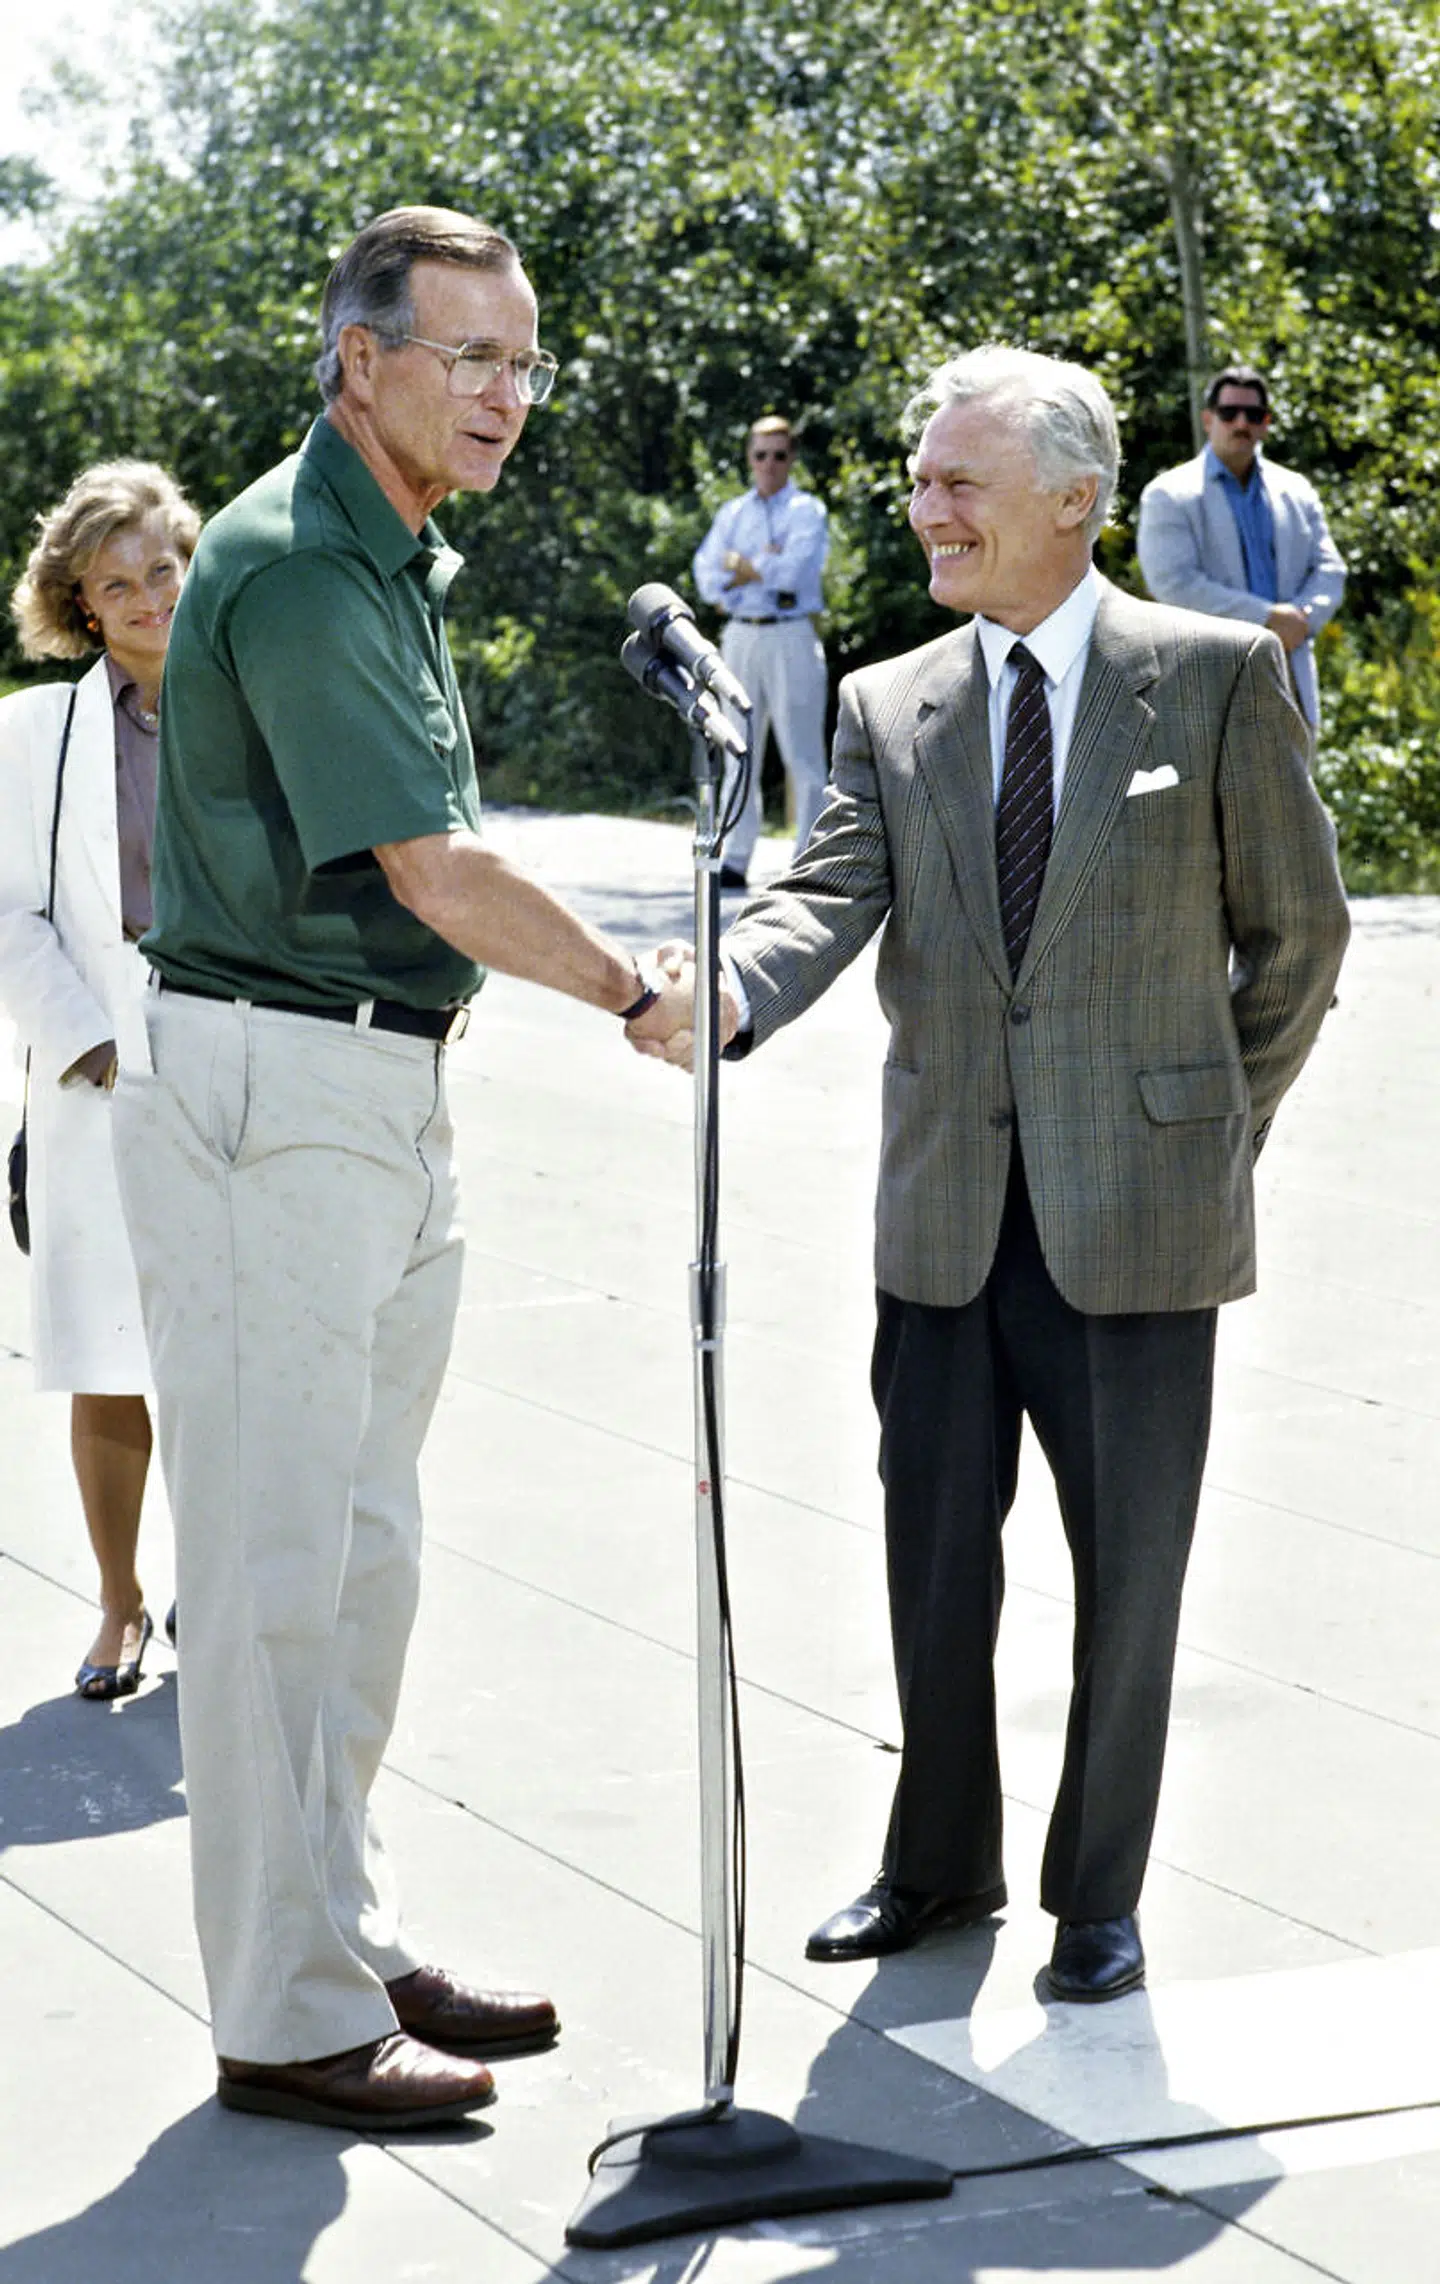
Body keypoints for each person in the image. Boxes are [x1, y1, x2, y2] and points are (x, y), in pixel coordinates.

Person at [635, 346, 1349, 2003]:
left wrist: (1204, 1125)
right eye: (920, 476)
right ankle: (938, 1862)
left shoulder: (1221, 673)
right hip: (946, 1218)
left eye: (960, 479)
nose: (924, 504)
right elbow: (824, 892)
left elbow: (1298, 943)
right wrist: (730, 986)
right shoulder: (892, 702)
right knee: (936, 1567)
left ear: (1074, 501)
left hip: (1142, 1222)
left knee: (1133, 1572)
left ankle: (1096, 1890)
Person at [110, 206, 689, 2133]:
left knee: (361, 1556)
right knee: (276, 1567)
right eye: (473, 358)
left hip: (365, 1088)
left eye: (526, 363)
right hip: (279, 1091)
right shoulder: (293, 562)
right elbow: (437, 871)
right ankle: (282, 2012)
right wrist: (631, 986)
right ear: (363, 358)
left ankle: (339, 1935)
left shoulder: (390, 551)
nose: (508, 394)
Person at [0, 462, 199, 1700]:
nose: (145, 598)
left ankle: (217, 1591)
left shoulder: (256, 694)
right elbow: (7, 911)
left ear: (192, 561)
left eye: (163, 569)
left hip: (242, 1055)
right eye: (114, 583)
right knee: (113, 1353)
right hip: (97, 1076)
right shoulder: (33, 731)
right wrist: (91, 1042)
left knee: (233, 1356)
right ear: (78, 601)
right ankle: (122, 1602)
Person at [1136, 364, 1345, 734]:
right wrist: (1266, 619)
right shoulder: (1168, 494)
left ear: (1266, 423)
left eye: (1253, 414)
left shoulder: (1297, 490)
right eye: (1229, 413)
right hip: (1210, 686)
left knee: (1294, 792)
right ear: (1207, 419)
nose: (1241, 423)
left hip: (1289, 676)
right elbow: (1173, 584)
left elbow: (1330, 569)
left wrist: (1303, 618)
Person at [692, 415, 830, 889]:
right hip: (740, 635)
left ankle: (807, 859)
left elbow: (794, 572)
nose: (768, 464)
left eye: (778, 454)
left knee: (803, 754)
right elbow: (707, 576)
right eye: (760, 454)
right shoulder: (732, 514)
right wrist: (757, 566)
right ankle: (736, 857)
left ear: (791, 458)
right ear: (748, 457)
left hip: (790, 632)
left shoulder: (807, 511)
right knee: (739, 748)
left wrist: (748, 568)